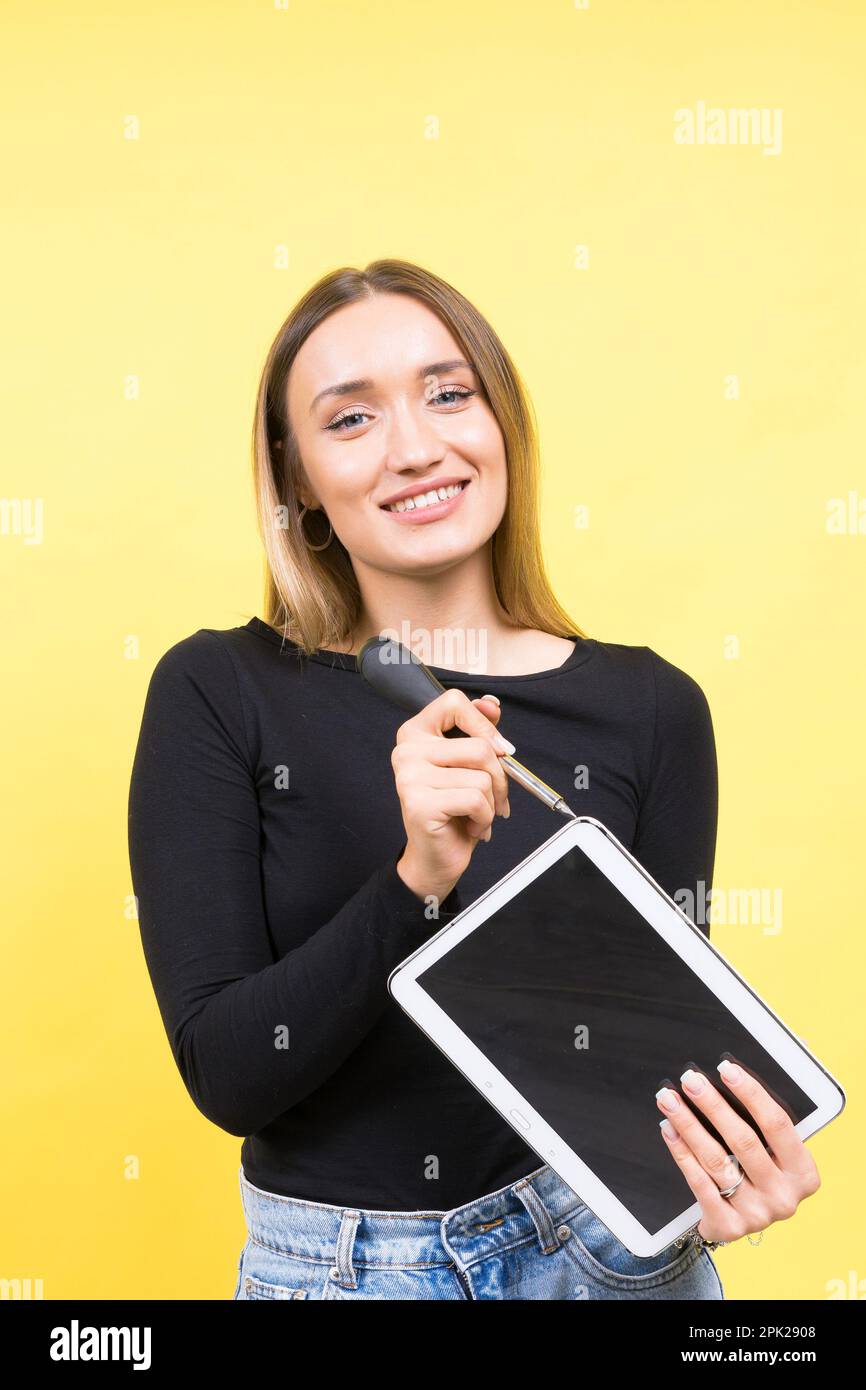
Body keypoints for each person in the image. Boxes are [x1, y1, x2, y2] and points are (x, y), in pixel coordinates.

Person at [127, 258, 820, 1301]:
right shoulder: (220, 690)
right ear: (300, 478)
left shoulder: (651, 709)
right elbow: (229, 1074)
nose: (415, 446)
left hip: (607, 1261)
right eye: (350, 420)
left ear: (502, 424)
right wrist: (415, 881)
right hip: (347, 1272)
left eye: (448, 393)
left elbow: (643, 1071)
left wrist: (718, 1174)